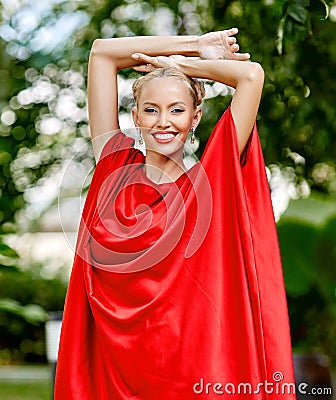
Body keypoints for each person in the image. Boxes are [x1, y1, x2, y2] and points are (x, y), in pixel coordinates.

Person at [55, 28, 296, 399]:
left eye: (177, 109)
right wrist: (193, 44)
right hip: (113, 379)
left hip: (196, 379)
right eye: (151, 110)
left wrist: (182, 66)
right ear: (135, 116)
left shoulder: (215, 180)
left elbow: (251, 76)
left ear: (196, 117)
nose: (163, 122)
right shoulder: (111, 171)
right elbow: (102, 54)